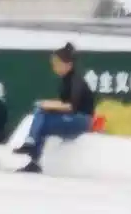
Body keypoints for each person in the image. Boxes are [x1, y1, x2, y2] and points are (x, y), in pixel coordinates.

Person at [14, 42, 94, 174]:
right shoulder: (66, 80)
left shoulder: (75, 80)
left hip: (81, 120)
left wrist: (46, 104)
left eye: (57, 64)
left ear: (68, 64)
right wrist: (46, 105)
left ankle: (31, 145)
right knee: (42, 115)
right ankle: (33, 156)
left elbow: (71, 106)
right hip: (72, 116)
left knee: (42, 117)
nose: (54, 67)